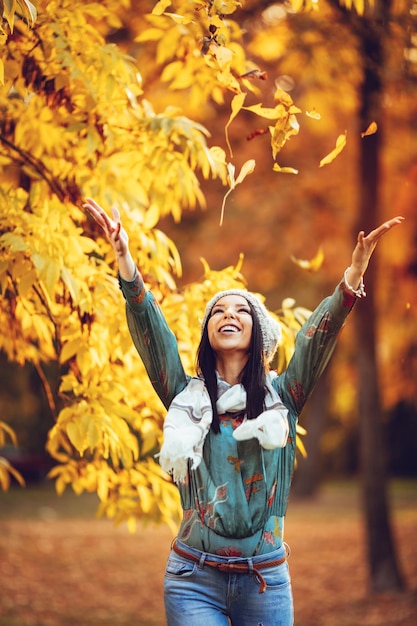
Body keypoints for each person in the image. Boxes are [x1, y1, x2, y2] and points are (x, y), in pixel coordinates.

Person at [83, 198, 403, 626]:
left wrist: (353, 277)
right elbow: (151, 333)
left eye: (240, 311)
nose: (227, 315)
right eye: (218, 311)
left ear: (258, 334)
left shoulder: (283, 397)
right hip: (192, 578)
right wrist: (125, 261)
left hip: (265, 582)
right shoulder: (185, 397)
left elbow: (315, 340)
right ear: (208, 333)